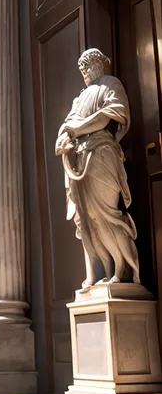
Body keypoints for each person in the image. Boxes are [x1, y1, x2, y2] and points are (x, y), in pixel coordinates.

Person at [56, 48, 141, 289]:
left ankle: (122, 269)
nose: (83, 71)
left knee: (107, 213)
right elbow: (65, 127)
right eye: (81, 68)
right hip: (81, 159)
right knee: (87, 218)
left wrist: (75, 129)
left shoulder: (110, 84)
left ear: (97, 64)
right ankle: (99, 271)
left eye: (86, 65)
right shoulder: (80, 97)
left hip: (102, 153)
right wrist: (65, 137)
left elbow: (107, 117)